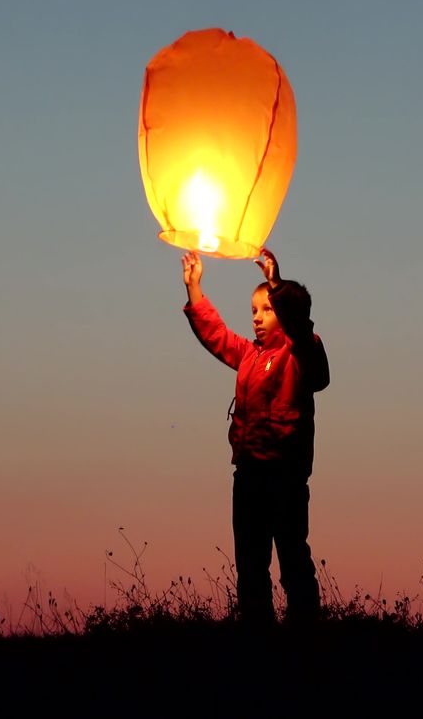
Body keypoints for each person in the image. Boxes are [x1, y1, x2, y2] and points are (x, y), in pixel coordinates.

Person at [181, 246, 330, 625]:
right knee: (250, 564)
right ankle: (257, 635)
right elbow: (216, 335)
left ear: (289, 314)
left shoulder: (302, 355)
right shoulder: (250, 355)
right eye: (254, 311)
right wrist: (194, 289)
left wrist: (276, 284)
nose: (258, 318)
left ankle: (306, 634)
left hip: (285, 477)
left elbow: (305, 339)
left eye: (268, 309)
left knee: (293, 558)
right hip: (247, 476)